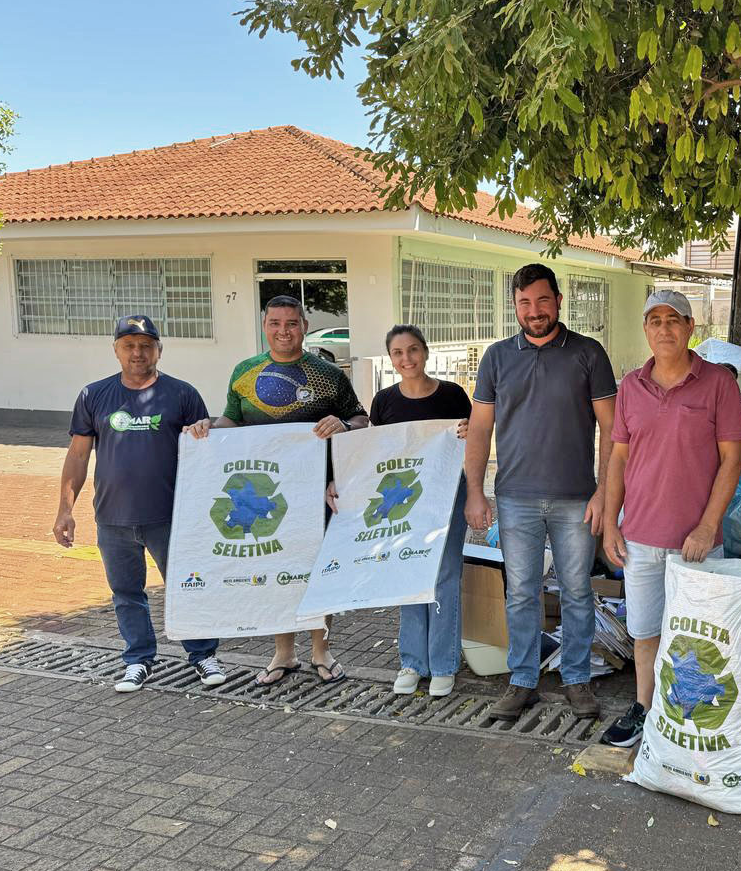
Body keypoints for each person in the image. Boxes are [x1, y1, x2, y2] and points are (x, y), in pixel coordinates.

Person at [186, 295, 369, 686]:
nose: (283, 331)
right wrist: (206, 429)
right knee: (275, 569)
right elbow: (232, 422)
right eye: (275, 323)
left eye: (291, 323)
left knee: (318, 573)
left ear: (304, 325)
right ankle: (283, 653)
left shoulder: (327, 374)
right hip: (264, 491)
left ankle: (322, 650)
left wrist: (344, 425)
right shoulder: (244, 372)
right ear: (264, 325)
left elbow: (361, 418)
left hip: (317, 491)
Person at [465, 263, 617, 721]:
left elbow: (612, 430)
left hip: (576, 496)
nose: (535, 311)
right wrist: (476, 491)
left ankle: (576, 680)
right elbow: (479, 428)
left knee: (576, 591)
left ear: (558, 301)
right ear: (514, 305)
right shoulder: (496, 358)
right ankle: (523, 680)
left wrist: (605, 493)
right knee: (522, 593)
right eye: (525, 302)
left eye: (542, 300)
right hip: (514, 497)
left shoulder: (589, 354)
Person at [599, 291, 741, 746]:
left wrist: (706, 526)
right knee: (645, 632)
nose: (664, 329)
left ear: (690, 328)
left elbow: (733, 458)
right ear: (645, 329)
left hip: (696, 543)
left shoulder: (718, 382)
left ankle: (686, 721)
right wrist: (610, 523)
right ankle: (644, 708)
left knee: (694, 639)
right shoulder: (630, 386)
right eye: (654, 320)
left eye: (674, 320)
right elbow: (619, 458)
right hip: (640, 537)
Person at [53, 315, 226, 693]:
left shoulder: (182, 394)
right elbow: (79, 455)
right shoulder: (92, 395)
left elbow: (204, 453)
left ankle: (203, 656)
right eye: (129, 345)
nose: (137, 352)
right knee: (127, 593)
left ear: (158, 350)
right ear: (116, 350)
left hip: (169, 516)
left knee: (186, 585)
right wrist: (65, 509)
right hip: (113, 517)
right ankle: (137, 659)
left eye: (146, 345)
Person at [327, 325, 470, 698]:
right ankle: (412, 662)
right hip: (402, 500)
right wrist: (341, 482)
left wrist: (471, 434)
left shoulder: (453, 395)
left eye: (413, 350)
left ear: (426, 352)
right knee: (407, 571)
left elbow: (472, 445)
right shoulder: (385, 401)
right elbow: (376, 454)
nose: (407, 359)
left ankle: (443, 664)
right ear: (390, 358)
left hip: (448, 494)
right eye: (398, 353)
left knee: (445, 575)